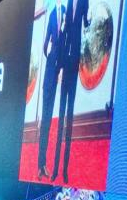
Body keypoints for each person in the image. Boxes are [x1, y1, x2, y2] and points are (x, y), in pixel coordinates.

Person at [52, 0, 90, 184]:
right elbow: (64, 33)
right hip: (65, 67)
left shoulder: (84, 2)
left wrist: (90, 20)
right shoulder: (68, 3)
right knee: (60, 121)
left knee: (69, 120)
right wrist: (59, 68)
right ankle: (54, 170)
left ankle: (65, 171)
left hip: (75, 66)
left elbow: (86, 24)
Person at [37, 0, 66, 181]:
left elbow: (66, 41)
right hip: (49, 76)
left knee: (49, 124)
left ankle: (44, 165)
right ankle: (40, 165)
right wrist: (51, 55)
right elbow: (45, 43)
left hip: (57, 74)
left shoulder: (66, 11)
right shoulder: (53, 14)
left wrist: (60, 67)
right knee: (45, 124)